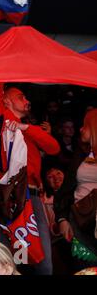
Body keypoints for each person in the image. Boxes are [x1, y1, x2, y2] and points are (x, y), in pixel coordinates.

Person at [0, 86, 60, 275]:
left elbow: (54, 148)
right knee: (9, 263)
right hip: (7, 196)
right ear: (6, 101)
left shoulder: (29, 128)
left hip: (32, 196)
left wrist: (26, 127)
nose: (27, 100)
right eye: (21, 97)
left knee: (42, 261)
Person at [54, 109, 97, 270]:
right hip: (80, 222)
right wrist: (62, 219)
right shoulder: (80, 153)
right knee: (85, 268)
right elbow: (65, 190)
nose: (80, 129)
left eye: (85, 125)